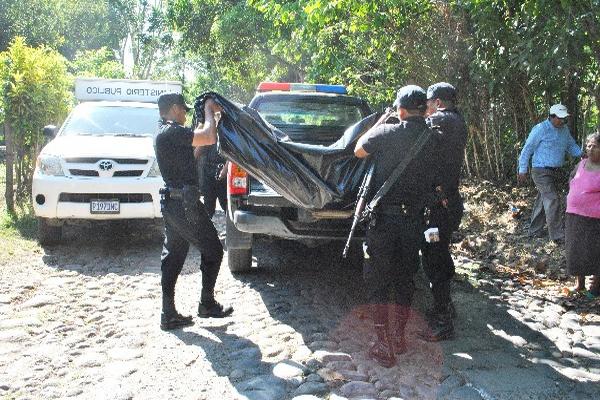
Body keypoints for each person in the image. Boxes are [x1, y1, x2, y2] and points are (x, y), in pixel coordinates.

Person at [354, 85, 438, 367]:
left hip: (384, 221)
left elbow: (358, 150)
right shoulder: (433, 139)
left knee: (378, 281)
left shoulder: (385, 133)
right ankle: (400, 338)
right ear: (424, 109)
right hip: (414, 220)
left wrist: (381, 123)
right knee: (405, 279)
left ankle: (382, 342)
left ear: (400, 110)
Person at [155, 93, 233, 331]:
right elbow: (208, 138)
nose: (186, 114)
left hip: (174, 202)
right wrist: (209, 110)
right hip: (184, 204)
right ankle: (206, 303)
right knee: (214, 250)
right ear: (175, 108)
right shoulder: (172, 131)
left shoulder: (165, 133)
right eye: (183, 110)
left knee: (175, 256)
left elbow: (194, 151)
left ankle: (168, 313)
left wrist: (208, 121)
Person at [419, 82, 468, 342]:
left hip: (440, 208)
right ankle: (444, 307)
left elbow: (417, 125)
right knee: (436, 253)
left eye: (425, 104)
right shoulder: (455, 121)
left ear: (437, 102)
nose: (424, 109)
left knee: (435, 257)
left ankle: (443, 321)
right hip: (444, 205)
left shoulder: (443, 120)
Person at [517, 104, 582, 242]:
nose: (562, 121)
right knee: (552, 200)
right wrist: (522, 169)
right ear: (551, 117)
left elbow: (571, 145)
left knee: (543, 199)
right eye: (559, 118)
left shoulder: (564, 130)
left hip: (555, 171)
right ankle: (557, 236)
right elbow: (527, 148)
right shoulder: (541, 129)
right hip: (540, 171)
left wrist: (583, 155)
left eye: (564, 118)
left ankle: (534, 231)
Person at [565, 132, 600, 297]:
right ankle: (580, 284)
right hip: (574, 214)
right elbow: (572, 180)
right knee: (576, 249)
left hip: (595, 218)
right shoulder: (581, 164)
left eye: (595, 146)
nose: (590, 149)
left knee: (594, 251)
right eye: (588, 146)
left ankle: (596, 288)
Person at [195, 144, 228, 218]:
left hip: (224, 174)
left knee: (226, 204)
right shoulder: (210, 134)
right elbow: (200, 148)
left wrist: (225, 170)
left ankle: (231, 227)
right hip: (209, 171)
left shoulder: (228, 133)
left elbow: (232, 155)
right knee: (208, 205)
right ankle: (205, 227)